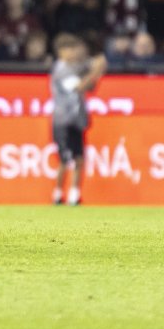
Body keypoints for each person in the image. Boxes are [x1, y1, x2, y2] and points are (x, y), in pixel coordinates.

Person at [49, 34, 106, 207]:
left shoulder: (75, 68)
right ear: (61, 52)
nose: (73, 53)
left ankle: (74, 194)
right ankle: (58, 193)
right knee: (64, 159)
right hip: (62, 121)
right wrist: (96, 70)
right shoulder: (60, 70)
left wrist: (96, 70)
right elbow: (80, 86)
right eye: (70, 49)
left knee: (79, 158)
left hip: (77, 120)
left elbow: (90, 86)